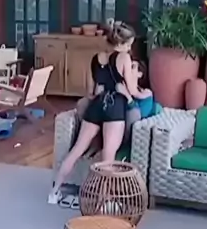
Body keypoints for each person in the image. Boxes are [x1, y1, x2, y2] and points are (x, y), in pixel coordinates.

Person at [48, 20, 141, 204]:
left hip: (96, 105)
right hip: (115, 108)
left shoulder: (96, 58)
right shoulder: (124, 58)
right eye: (129, 44)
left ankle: (54, 192)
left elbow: (90, 92)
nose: (130, 48)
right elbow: (132, 90)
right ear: (122, 43)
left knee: (77, 149)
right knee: (108, 156)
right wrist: (144, 93)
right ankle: (104, 199)